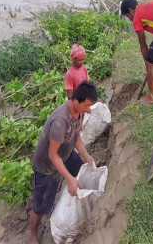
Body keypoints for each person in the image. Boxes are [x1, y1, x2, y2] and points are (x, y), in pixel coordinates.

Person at [29, 81, 97, 244]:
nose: (89, 109)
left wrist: (86, 155)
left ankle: (81, 206)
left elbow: (76, 137)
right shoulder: (60, 121)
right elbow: (53, 156)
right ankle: (32, 234)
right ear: (76, 100)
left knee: (81, 172)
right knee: (41, 206)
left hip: (66, 155)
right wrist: (69, 179)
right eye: (87, 105)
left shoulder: (79, 113)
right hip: (47, 166)